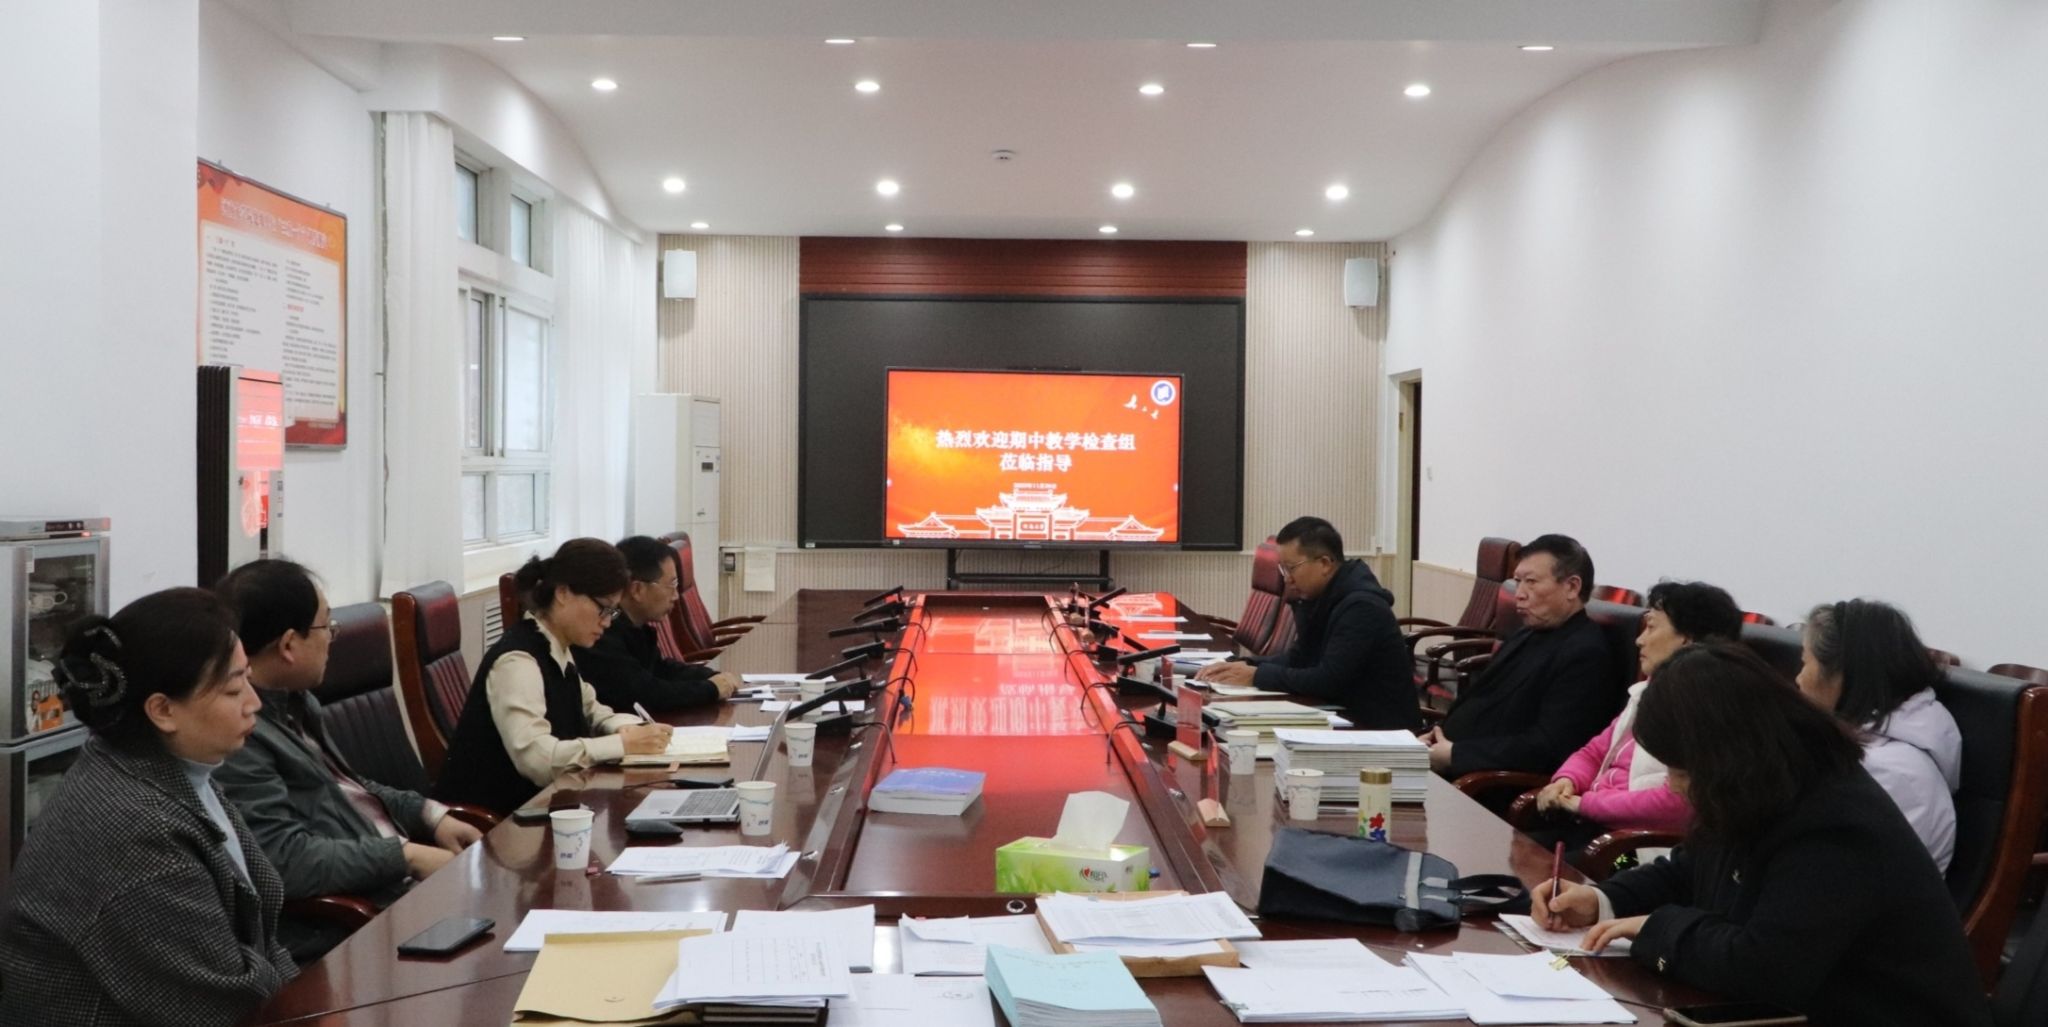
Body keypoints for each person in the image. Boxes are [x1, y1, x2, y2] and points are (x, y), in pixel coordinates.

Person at [1533, 644, 1991, 1026]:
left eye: (1681, 769)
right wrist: (1602, 900)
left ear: (1725, 754)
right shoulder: (1763, 786)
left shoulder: (1835, 823)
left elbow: (1762, 968)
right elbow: (1690, 868)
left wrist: (1656, 928)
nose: (1672, 784)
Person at [0, 588, 297, 1024]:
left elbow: (260, 938)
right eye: (234, 689)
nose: (254, 702)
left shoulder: (165, 770)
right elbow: (221, 1006)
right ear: (162, 710)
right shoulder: (135, 831)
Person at [212, 559, 483, 962]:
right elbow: (284, 861)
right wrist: (405, 856)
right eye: (327, 627)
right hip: (354, 928)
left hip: (397, 892)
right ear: (288, 645)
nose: (332, 640)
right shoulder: (242, 737)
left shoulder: (297, 703)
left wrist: (431, 815)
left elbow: (348, 789)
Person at [434, 539, 674, 815]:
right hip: (494, 825)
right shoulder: (518, 662)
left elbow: (593, 711)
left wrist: (631, 729)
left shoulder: (558, 648)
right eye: (603, 608)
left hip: (545, 809)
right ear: (563, 593)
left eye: (613, 612)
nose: (607, 622)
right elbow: (537, 760)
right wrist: (621, 744)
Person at [1529, 580, 1743, 851]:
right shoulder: (1648, 691)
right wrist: (1567, 780)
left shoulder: (1706, 712)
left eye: (1651, 627)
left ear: (1687, 640)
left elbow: (1678, 804)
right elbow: (1594, 752)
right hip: (1591, 824)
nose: (1639, 639)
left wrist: (1587, 804)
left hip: (1629, 848)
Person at [1193, 516, 1418, 730]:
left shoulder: (1361, 607)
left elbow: (1328, 679)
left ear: (1325, 564)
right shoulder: (1321, 596)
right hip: (1341, 716)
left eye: (1291, 568)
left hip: (1376, 730)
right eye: (1282, 569)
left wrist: (1257, 676)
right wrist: (1247, 664)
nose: (1286, 578)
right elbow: (1299, 658)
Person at [1425, 534, 1620, 779]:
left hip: (1489, 781)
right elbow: (1480, 700)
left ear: (1572, 587)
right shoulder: (1527, 632)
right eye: (1518, 581)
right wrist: (1436, 735)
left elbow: (1548, 747)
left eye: (1531, 582)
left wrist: (1456, 754)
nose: (1519, 593)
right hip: (1452, 760)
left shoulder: (1585, 654)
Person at [1796, 598, 1962, 872]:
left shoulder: (1895, 774)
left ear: (1841, 676)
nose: (1799, 679)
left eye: (1805, 663)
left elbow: (1835, 871)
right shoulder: (1874, 743)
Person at [573, 536, 740, 713]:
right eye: (671, 585)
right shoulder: (603, 632)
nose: (676, 596)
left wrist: (711, 676)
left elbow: (661, 669)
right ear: (637, 590)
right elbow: (645, 694)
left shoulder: (632, 624)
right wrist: (710, 689)